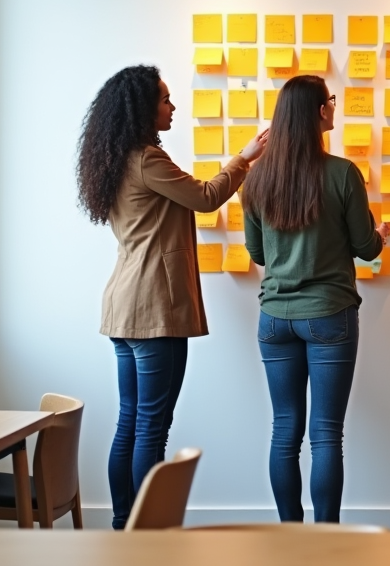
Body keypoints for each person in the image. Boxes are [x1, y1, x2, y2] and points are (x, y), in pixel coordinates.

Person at [76, 64, 268, 529]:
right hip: (154, 308)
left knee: (130, 422)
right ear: (143, 107)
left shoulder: (117, 158)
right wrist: (245, 157)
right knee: (151, 426)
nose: (173, 106)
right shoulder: (146, 159)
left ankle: (125, 524)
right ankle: (148, 533)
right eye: (164, 99)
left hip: (124, 307)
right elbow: (205, 197)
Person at [242, 74, 389, 523]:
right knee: (326, 434)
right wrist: (379, 235)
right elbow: (366, 248)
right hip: (330, 316)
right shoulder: (342, 173)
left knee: (284, 431)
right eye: (331, 100)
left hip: (274, 319)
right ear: (318, 112)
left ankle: (290, 534)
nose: (334, 106)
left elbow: (258, 253)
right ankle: (326, 539)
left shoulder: (258, 179)